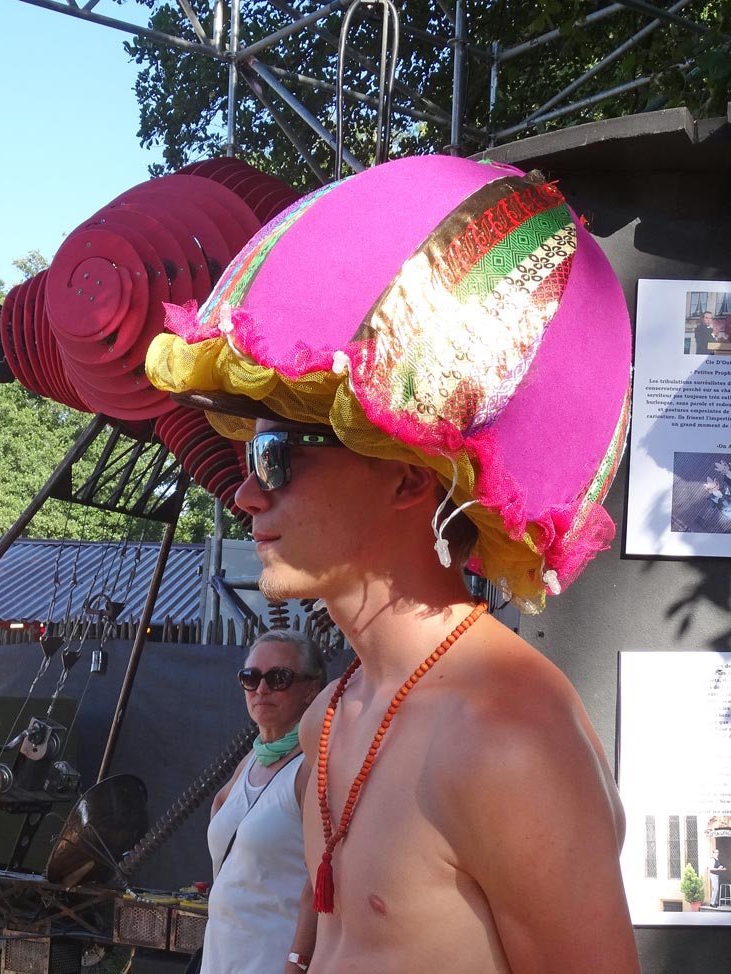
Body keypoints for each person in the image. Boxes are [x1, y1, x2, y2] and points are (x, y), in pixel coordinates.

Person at [147, 155, 640, 973]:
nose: (245, 493)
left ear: (410, 477)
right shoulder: (329, 716)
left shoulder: (506, 735)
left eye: (277, 455)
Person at [201, 629, 325, 974]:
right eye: (251, 677)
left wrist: (297, 965)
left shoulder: (311, 768)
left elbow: (319, 884)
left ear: (310, 690)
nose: (261, 688)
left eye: (278, 678)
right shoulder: (251, 760)